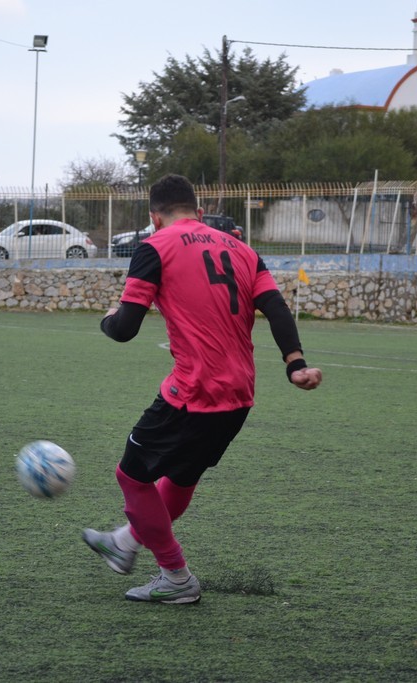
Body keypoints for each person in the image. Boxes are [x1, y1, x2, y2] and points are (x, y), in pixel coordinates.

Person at [82, 174, 322, 604]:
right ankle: (125, 541)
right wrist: (296, 364)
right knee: (181, 477)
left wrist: (107, 319)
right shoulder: (242, 249)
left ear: (155, 217)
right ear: (200, 209)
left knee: (131, 476)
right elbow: (276, 308)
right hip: (239, 395)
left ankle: (176, 576)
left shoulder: (154, 246)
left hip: (194, 392)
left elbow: (125, 329)